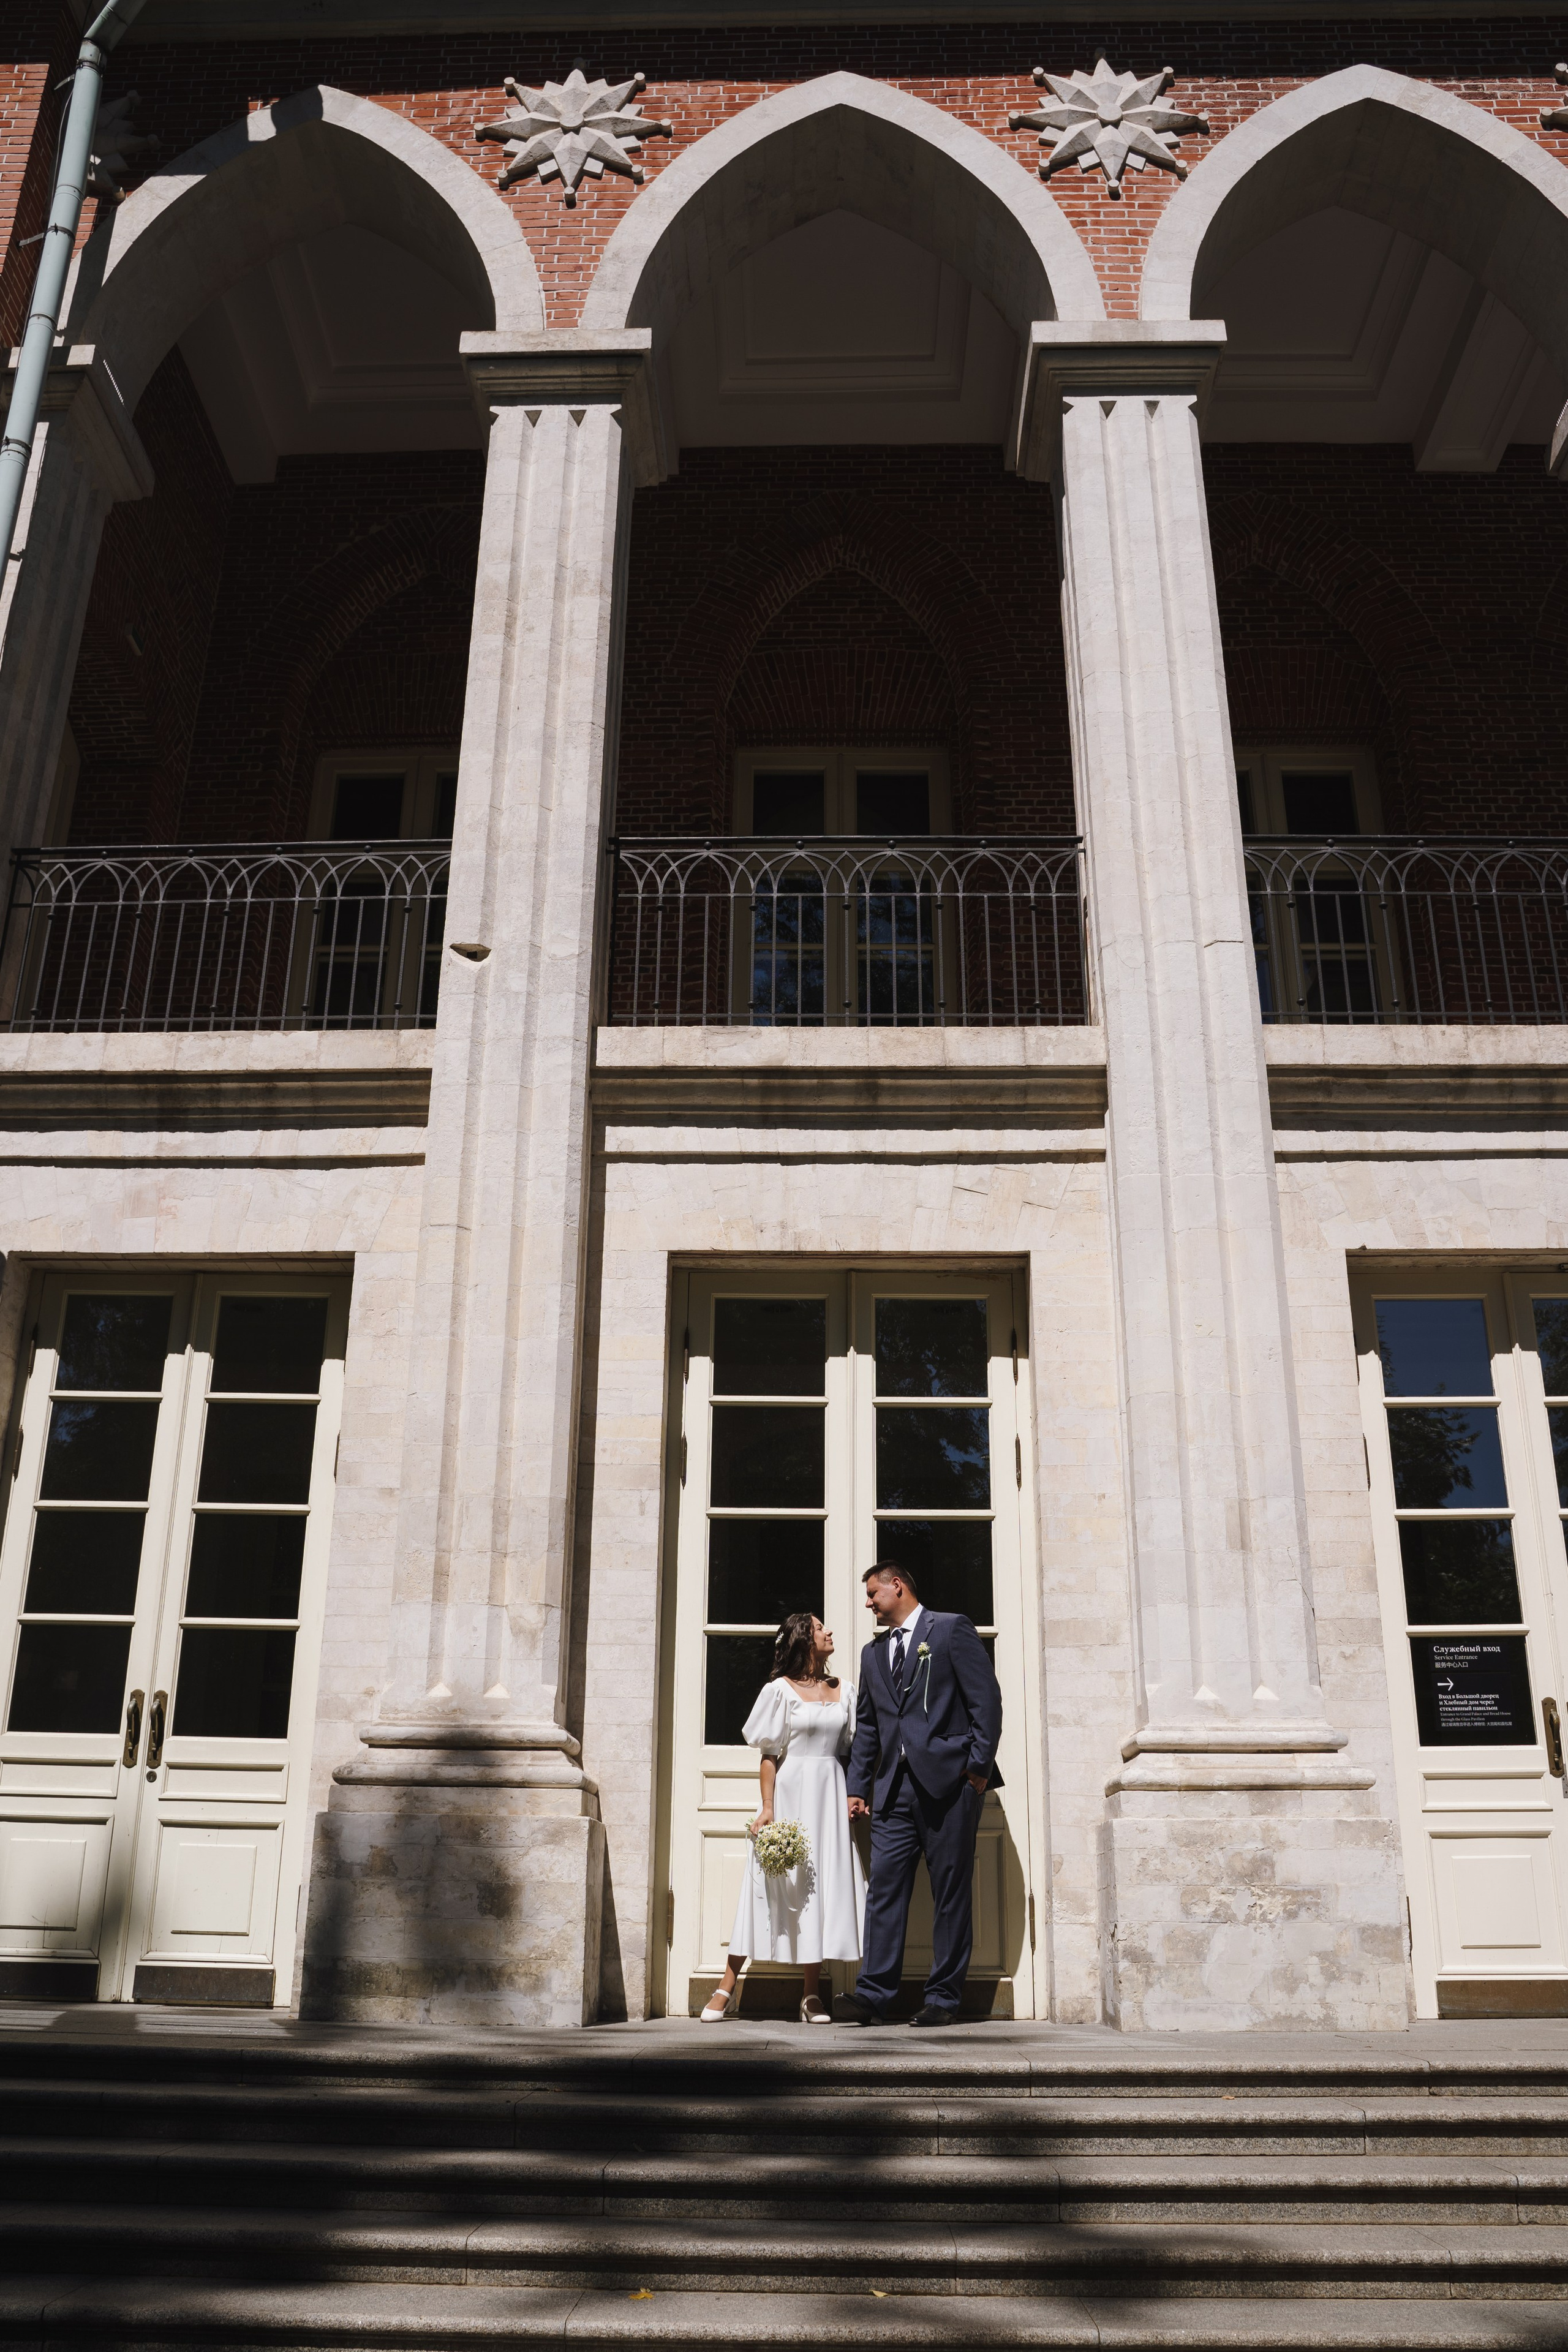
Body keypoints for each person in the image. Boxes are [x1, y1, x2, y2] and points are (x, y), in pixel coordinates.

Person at [834, 1561, 1003, 2029]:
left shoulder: (949, 1631)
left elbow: (985, 1701)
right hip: (892, 1791)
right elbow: (868, 1725)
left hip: (950, 1786)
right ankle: (872, 1995)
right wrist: (857, 1787)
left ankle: (944, 1999)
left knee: (951, 1893)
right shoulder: (872, 1654)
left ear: (898, 1586)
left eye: (873, 1593)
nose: (868, 1603)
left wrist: (977, 1769)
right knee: (884, 1890)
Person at [701, 1610, 867, 2024]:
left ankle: (811, 1996)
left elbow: (853, 1747)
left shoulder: (845, 1690)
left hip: (829, 1794)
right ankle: (726, 1985)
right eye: (819, 1628)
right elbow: (770, 1755)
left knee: (818, 1889)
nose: (829, 1631)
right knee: (765, 1886)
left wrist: (855, 1794)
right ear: (803, 1640)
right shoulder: (780, 1690)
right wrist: (768, 1808)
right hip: (791, 1794)